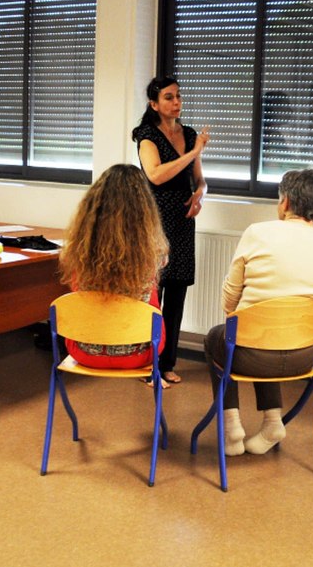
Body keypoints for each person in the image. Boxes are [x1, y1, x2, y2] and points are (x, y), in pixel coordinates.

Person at [204, 168, 313, 456]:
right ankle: (272, 422)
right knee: (271, 334)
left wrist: (241, 314)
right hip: (306, 355)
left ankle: (232, 428)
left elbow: (230, 301)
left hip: (251, 355)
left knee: (220, 338)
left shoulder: (257, 233)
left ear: (285, 202)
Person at [133, 75, 209, 387]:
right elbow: (156, 175)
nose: (176, 102)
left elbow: (200, 179)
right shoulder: (146, 135)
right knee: (153, 294)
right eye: (168, 97)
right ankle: (146, 364)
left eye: (178, 96)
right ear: (154, 104)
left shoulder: (188, 134)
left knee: (177, 292)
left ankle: (167, 364)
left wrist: (199, 194)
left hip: (183, 220)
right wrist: (193, 152)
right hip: (156, 220)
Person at [58, 164, 169, 369]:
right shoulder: (155, 253)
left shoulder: (77, 250)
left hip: (84, 350)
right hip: (140, 352)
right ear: (145, 210)